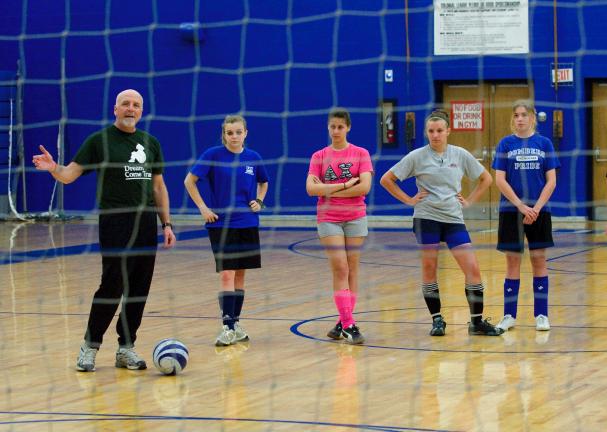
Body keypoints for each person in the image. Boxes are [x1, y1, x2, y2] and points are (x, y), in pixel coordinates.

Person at [32, 89, 176, 372]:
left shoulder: (151, 142)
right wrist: (53, 168)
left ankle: (126, 349)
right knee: (113, 285)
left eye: (136, 105)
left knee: (138, 289)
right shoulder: (99, 141)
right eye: (125, 104)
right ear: (115, 109)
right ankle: (89, 346)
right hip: (115, 223)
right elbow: (70, 175)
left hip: (146, 224)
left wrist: (166, 224)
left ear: (141, 111)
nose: (130, 109)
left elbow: (159, 186)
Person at [380, 109, 503, 337]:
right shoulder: (417, 156)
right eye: (431, 131)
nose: (435, 135)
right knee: (429, 268)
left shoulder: (460, 154)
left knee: (473, 269)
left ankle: (476, 323)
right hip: (426, 218)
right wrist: (408, 200)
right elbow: (386, 179)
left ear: (448, 131)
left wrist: (469, 201)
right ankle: (437, 320)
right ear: (427, 133)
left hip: (453, 219)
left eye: (439, 131)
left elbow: (486, 178)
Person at [184, 115, 269, 346]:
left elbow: (264, 182)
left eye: (238, 132)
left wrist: (259, 202)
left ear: (245, 133)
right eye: (229, 132)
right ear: (224, 134)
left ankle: (236, 325)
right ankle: (227, 326)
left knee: (240, 275)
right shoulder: (212, 155)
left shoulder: (253, 158)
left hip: (248, 224)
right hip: (222, 225)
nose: (234, 136)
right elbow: (189, 181)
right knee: (227, 274)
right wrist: (203, 208)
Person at [306, 108, 373, 345]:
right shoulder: (319, 156)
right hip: (328, 218)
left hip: (355, 216)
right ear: (328, 127)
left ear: (348, 128)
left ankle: (344, 321)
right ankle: (349, 325)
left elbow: (364, 188)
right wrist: (345, 185)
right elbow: (311, 189)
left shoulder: (361, 153)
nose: (336, 131)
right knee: (340, 268)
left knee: (352, 268)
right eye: (332, 127)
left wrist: (328, 188)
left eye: (340, 127)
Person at [492, 100, 560, 332]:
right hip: (512, 211)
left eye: (524, 114)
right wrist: (521, 206)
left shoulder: (544, 143)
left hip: (540, 211)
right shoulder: (505, 144)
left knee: (539, 259)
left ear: (532, 117)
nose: (520, 118)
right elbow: (500, 179)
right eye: (516, 115)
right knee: (512, 262)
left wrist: (537, 208)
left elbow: (551, 180)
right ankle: (509, 316)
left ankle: (541, 314)